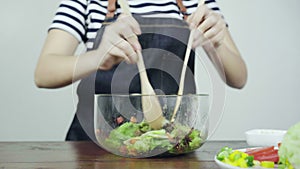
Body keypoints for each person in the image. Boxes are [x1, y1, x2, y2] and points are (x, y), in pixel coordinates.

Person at [34, 0, 247, 141]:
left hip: (171, 146)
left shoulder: (195, 3)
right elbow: (44, 73)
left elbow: (238, 78)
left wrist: (215, 42)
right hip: (93, 145)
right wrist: (99, 57)